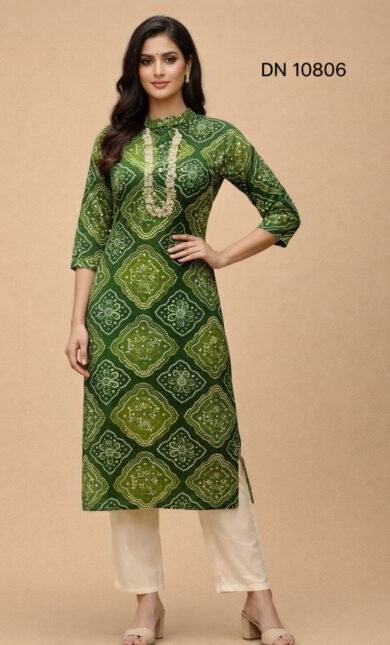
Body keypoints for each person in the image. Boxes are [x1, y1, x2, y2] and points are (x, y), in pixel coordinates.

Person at [65, 14, 301, 645]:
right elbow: (90, 235)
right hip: (116, 318)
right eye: (147, 60)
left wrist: (221, 253)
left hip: (190, 319)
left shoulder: (218, 138)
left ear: (189, 65)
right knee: (127, 462)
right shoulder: (111, 142)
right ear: (134, 69)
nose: (158, 70)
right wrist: (78, 321)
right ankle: (147, 606)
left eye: (169, 58)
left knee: (215, 454)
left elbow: (283, 212)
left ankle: (258, 601)